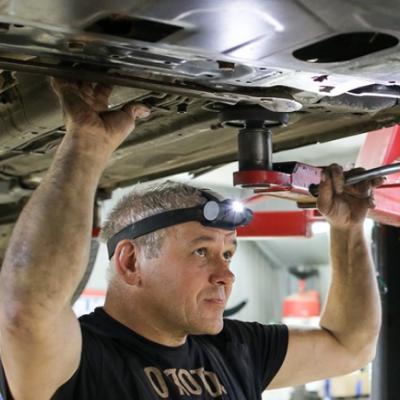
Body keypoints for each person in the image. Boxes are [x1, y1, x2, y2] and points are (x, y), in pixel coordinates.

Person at [0, 78, 382, 400]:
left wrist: (348, 231)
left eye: (228, 254)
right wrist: (86, 145)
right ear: (131, 262)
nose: (226, 276)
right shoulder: (82, 358)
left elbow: (350, 345)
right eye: (201, 251)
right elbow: (26, 310)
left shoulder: (234, 351)